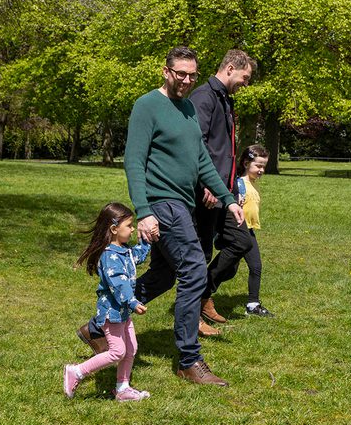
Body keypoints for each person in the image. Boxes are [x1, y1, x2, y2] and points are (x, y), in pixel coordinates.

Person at [77, 46, 244, 387]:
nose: (186, 80)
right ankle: (188, 359)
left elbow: (201, 162)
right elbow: (134, 161)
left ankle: (97, 325)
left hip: (182, 203)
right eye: (180, 73)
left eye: (191, 75)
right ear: (166, 71)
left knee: (165, 275)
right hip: (163, 203)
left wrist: (227, 199)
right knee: (195, 270)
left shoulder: (187, 111)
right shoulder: (147, 105)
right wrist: (144, 212)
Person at [191, 49, 255, 332]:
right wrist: (208, 184)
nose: (246, 83)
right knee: (202, 253)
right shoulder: (204, 97)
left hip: (225, 193)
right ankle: (194, 315)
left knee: (241, 241)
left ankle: (205, 293)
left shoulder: (224, 100)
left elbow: (224, 151)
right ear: (230, 68)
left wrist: (232, 188)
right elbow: (198, 144)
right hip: (207, 194)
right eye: (245, 77)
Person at [65, 202, 152, 402]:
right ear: (114, 229)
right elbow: (118, 284)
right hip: (112, 313)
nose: (132, 229)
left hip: (121, 313)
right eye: (129, 226)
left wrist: (146, 241)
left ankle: (122, 388)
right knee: (117, 352)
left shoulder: (124, 250)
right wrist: (132, 302)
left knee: (131, 349)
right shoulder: (110, 257)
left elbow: (136, 256)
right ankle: (76, 371)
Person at [206, 144, 274, 317]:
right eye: (258, 165)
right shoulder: (239, 183)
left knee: (255, 266)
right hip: (238, 229)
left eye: (263, 166)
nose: (261, 170)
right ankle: (203, 290)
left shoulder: (253, 183)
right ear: (245, 163)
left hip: (248, 229)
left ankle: (252, 304)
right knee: (229, 270)